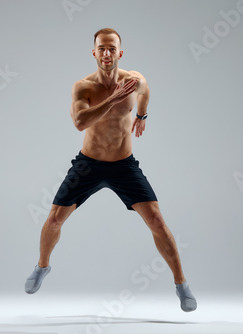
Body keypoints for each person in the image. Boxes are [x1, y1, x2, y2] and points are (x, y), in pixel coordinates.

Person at [25, 28, 197, 312]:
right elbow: (80, 122)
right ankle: (42, 266)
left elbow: (146, 90)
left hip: (123, 166)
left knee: (155, 219)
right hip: (88, 165)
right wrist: (113, 100)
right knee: (55, 219)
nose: (106, 54)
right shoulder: (83, 87)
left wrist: (141, 114)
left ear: (120, 53)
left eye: (111, 49)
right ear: (94, 53)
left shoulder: (134, 80)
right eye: (101, 49)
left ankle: (182, 285)